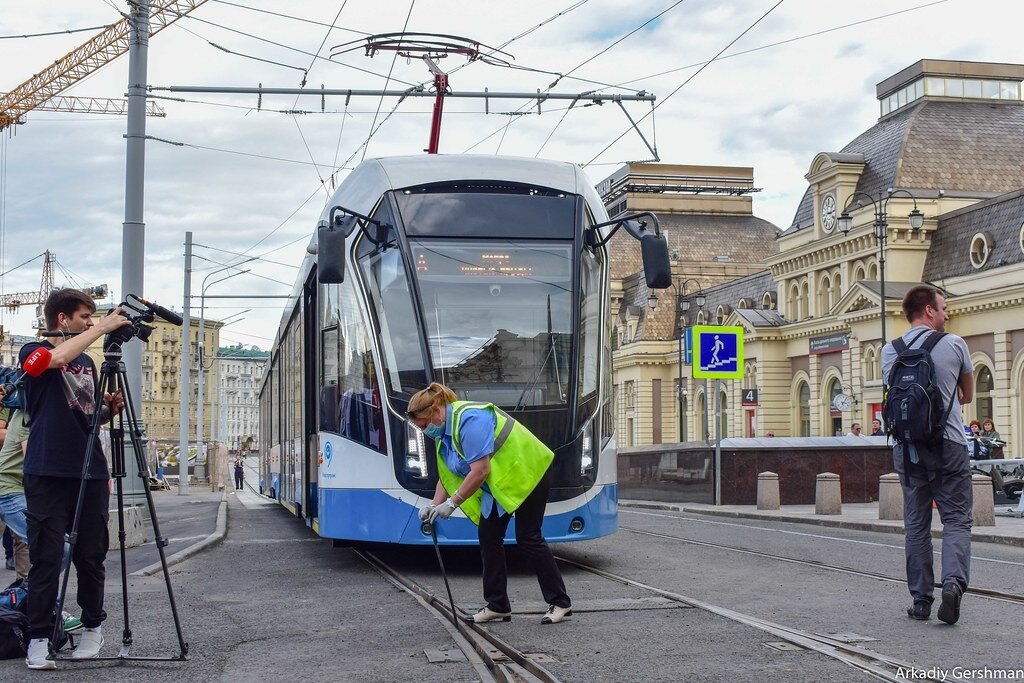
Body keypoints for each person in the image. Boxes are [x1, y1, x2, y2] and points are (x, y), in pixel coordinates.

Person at [21, 289, 131, 670]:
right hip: (46, 470)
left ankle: (91, 629)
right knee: (45, 558)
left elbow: (83, 417)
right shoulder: (32, 352)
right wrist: (102, 328)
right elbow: (52, 361)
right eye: (85, 316)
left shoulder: (88, 362)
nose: (90, 322)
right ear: (63, 319)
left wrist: (105, 411)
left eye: (92, 317)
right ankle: (37, 639)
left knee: (91, 555)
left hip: (89, 469)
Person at [407, 382, 572, 625]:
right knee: (489, 538)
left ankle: (560, 602)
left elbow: (480, 470)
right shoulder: (444, 433)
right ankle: (498, 606)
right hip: (502, 484)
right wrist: (434, 504)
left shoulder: (470, 420)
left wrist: (452, 504)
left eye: (423, 424)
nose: (423, 430)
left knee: (528, 538)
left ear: (436, 410)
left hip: (528, 473)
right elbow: (450, 475)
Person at [881, 285, 973, 626]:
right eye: (944, 307)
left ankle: (921, 600)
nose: (947, 313)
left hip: (907, 448)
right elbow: (966, 396)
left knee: (916, 524)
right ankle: (952, 583)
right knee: (956, 520)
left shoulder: (890, 351)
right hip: (948, 444)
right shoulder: (955, 344)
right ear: (930, 310)